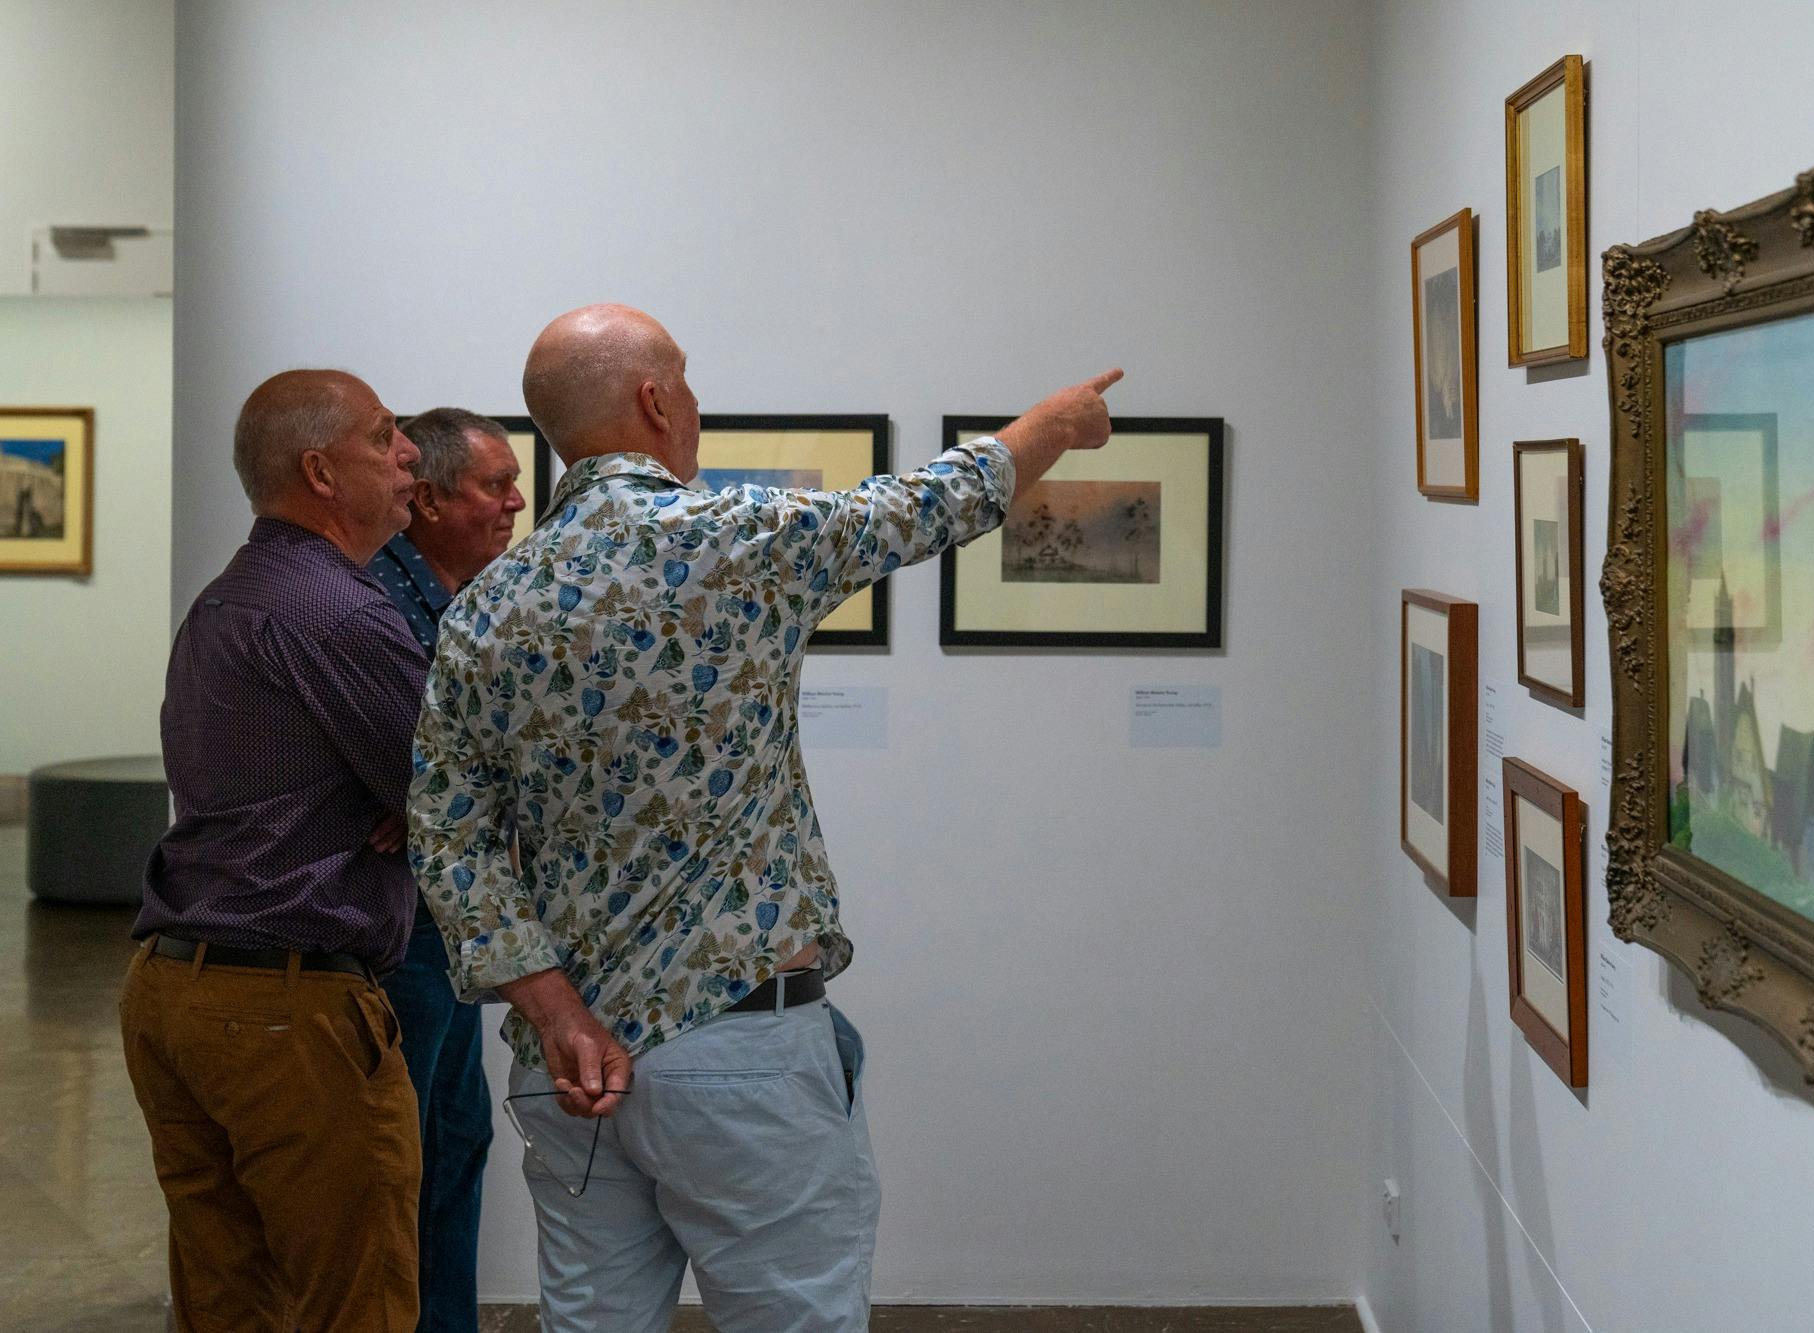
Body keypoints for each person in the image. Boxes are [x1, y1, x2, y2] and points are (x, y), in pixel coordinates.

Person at [407, 302, 1120, 1331]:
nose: (692, 401)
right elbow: (926, 504)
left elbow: (449, 837)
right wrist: (1053, 423)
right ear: (654, 400)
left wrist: (558, 1011)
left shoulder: (484, 603)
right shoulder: (738, 538)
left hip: (567, 1064)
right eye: (686, 381)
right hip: (738, 1048)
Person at [122, 369, 427, 1332]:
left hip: (176, 990)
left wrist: (415, 802)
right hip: (285, 1012)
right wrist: (422, 808)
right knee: (355, 1301)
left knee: (227, 1299)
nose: (410, 452)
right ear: (320, 472)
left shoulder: (229, 599)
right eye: (385, 437)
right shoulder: (338, 611)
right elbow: (462, 792)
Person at [366, 407, 525, 1333]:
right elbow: (418, 775)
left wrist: (446, 795)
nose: (514, 503)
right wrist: (437, 793)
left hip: (448, 921)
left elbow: (477, 770)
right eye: (494, 485)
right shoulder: (375, 605)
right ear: (423, 498)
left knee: (455, 1141)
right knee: (406, 1157)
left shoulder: (465, 599)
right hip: (399, 933)